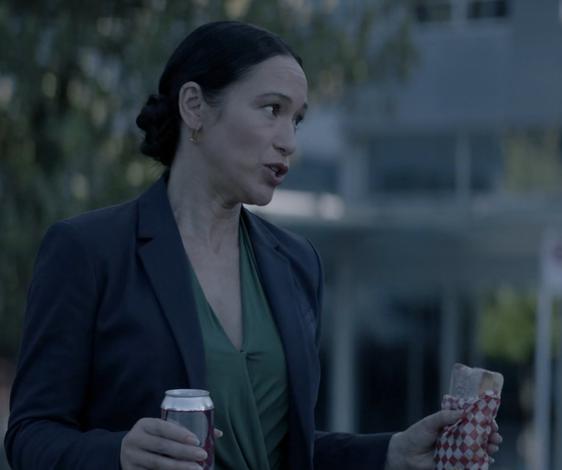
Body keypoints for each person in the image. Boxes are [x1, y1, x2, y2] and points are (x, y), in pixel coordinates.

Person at [4, 21, 501, 470]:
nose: (288, 141)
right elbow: (29, 436)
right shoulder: (88, 252)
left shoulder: (297, 263)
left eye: (297, 120)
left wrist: (390, 451)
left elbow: (286, 450)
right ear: (195, 107)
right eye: (271, 110)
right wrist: (117, 455)